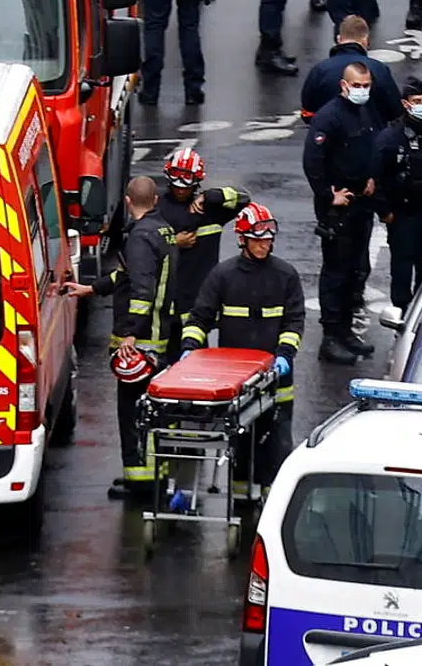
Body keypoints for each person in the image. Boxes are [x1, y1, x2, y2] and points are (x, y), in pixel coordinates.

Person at [63, 176, 178, 500]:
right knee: (151, 411)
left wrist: (130, 333)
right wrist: (92, 288)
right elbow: (126, 275)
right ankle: (147, 478)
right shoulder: (160, 230)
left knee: (135, 412)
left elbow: (141, 291)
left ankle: (144, 483)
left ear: (128, 201)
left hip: (143, 344)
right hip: (157, 336)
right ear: (154, 201)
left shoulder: (140, 238)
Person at [180, 203, 303, 499]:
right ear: (242, 239)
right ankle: (240, 500)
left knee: (277, 444)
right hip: (236, 380)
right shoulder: (223, 276)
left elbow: (294, 321)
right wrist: (190, 349)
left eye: (267, 240)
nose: (264, 245)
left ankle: (272, 501)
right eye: (257, 239)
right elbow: (200, 318)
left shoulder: (286, 276)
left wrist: (285, 355)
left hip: (275, 380)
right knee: (241, 442)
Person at [304, 62, 383, 365]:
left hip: (362, 202)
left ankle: (348, 330)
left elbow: (372, 145)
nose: (363, 90)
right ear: (344, 85)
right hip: (339, 206)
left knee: (356, 268)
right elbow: (313, 160)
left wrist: (373, 177)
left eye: (367, 84)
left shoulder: (366, 111)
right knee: (336, 271)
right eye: (357, 85)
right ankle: (331, 336)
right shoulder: (329, 117)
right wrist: (328, 195)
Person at [372, 77, 422, 310]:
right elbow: (379, 177)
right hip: (403, 215)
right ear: (406, 104)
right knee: (402, 272)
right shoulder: (391, 138)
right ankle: (401, 318)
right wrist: (385, 212)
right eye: (418, 101)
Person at [158, 148, 250, 328]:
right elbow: (139, 243)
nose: (181, 190)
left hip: (199, 300)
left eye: (186, 186)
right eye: (176, 185)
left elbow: (244, 198)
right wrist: (173, 242)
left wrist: (209, 196)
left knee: (197, 351)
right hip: (166, 302)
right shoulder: (157, 206)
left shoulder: (211, 209)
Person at [299, 15, 401, 124]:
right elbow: (396, 111)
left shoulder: (320, 70)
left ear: (339, 39)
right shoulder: (379, 69)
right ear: (365, 40)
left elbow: (308, 112)